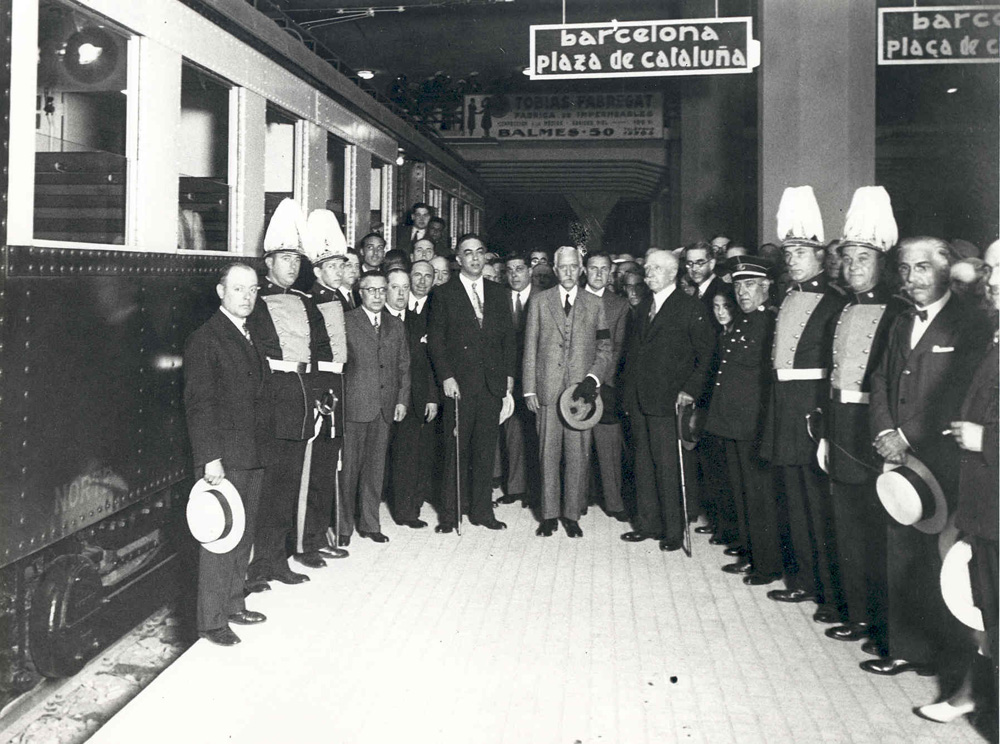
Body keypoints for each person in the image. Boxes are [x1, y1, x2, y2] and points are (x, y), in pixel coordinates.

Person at [864, 236, 992, 677]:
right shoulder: (900, 320)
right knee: (900, 546)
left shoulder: (972, 324)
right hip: (897, 456)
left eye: (922, 267)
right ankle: (905, 648)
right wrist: (884, 429)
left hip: (943, 455)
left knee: (942, 554)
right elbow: (879, 377)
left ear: (945, 270)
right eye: (904, 268)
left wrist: (904, 434)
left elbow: (959, 394)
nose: (911, 277)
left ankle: (949, 658)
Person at [916, 239, 999, 722]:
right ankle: (973, 694)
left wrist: (984, 438)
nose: (988, 280)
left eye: (995, 270)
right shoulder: (994, 331)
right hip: (986, 498)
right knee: (985, 606)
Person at [759, 186, 848, 622]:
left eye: (801, 252)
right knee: (792, 499)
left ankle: (830, 594)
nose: (792, 259)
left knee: (816, 504)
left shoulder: (834, 303)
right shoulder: (789, 296)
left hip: (809, 409)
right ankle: (804, 580)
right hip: (783, 405)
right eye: (789, 252)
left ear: (818, 257)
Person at [821, 188, 904, 646]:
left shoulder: (895, 312)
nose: (853, 268)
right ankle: (855, 613)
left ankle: (879, 620)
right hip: (840, 422)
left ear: (881, 264)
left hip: (870, 428)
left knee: (876, 529)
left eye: (862, 260)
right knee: (847, 525)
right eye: (848, 259)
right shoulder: (844, 306)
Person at [245, 199, 333, 590]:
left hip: (300, 403)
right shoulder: (254, 301)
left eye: (296, 259)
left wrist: (316, 397)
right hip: (271, 405)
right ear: (268, 262)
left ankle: (278, 560)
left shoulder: (306, 302)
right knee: (265, 490)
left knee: (288, 487)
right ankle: (256, 567)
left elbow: (320, 350)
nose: (292, 266)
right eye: (284, 259)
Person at [183, 263, 270, 646]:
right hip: (225, 455)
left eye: (253, 290)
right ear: (221, 292)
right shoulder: (206, 338)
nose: (248, 297)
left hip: (251, 450)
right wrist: (210, 457)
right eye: (239, 290)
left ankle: (235, 602)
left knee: (243, 532)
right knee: (220, 537)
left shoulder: (248, 334)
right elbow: (199, 405)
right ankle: (212, 621)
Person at [620, 249, 715, 551]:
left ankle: (674, 530)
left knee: (669, 465)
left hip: (669, 400)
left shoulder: (690, 307)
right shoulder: (642, 307)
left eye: (656, 269)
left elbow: (707, 354)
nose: (648, 274)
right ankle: (647, 523)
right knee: (643, 462)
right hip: (639, 399)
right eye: (647, 268)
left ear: (673, 273)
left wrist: (690, 389)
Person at [426, 233, 516, 533]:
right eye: (468, 253)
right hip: (460, 385)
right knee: (455, 450)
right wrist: (446, 377)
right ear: (458, 259)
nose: (475, 258)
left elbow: (508, 340)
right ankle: (450, 516)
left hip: (491, 385)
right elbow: (436, 342)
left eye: (479, 252)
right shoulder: (444, 293)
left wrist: (508, 378)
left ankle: (482, 512)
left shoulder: (498, 292)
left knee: (484, 451)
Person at [522, 246, 613, 537]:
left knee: (578, 455)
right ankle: (548, 515)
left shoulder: (595, 304)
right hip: (547, 391)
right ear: (555, 270)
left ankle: (572, 514)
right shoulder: (539, 302)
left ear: (581, 268)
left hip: (580, 396)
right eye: (564, 267)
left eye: (574, 267)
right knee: (547, 453)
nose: (569, 272)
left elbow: (604, 348)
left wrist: (592, 379)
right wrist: (528, 390)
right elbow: (530, 348)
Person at [704, 259, 783, 585]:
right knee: (740, 492)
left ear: (766, 287)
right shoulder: (741, 322)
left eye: (750, 285)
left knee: (758, 496)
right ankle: (749, 553)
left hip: (752, 425)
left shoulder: (770, 323)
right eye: (738, 286)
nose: (743, 292)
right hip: (730, 422)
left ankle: (767, 564)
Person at [298, 209, 352, 568]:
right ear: (317, 270)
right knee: (316, 471)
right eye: (330, 266)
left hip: (341, 390)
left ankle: (325, 533)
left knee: (330, 465)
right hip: (325, 395)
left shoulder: (342, 297)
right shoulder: (313, 299)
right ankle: (309, 541)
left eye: (339, 265)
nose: (336, 271)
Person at [339, 271, 410, 545]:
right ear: (360, 292)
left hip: (384, 408)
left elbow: (404, 366)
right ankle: (344, 528)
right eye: (372, 290)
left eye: (382, 290)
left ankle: (370, 523)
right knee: (349, 471)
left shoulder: (396, 325)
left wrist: (402, 400)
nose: (378, 295)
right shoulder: (347, 322)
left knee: (375, 470)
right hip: (355, 407)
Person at [384, 267, 438, 528]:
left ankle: (408, 510)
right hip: (383, 400)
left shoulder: (418, 321)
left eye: (405, 288)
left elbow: (428, 363)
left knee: (411, 456)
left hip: (414, 399)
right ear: (385, 289)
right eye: (395, 287)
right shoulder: (378, 319)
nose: (401, 293)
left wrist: (431, 397)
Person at [583, 251, 631, 521]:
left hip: (606, 384)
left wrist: (598, 379)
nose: (598, 274)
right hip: (575, 384)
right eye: (593, 268)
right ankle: (579, 498)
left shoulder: (620, 305)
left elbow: (619, 347)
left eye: (604, 269)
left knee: (608, 443)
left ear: (611, 272)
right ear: (584, 270)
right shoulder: (573, 298)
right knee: (577, 442)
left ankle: (614, 501)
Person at [494, 252, 539, 508]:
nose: (514, 274)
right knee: (511, 434)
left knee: (536, 434)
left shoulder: (545, 296)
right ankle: (515, 487)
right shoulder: (499, 297)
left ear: (530, 271)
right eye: (509, 270)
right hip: (508, 377)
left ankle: (536, 491)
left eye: (519, 269)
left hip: (535, 377)